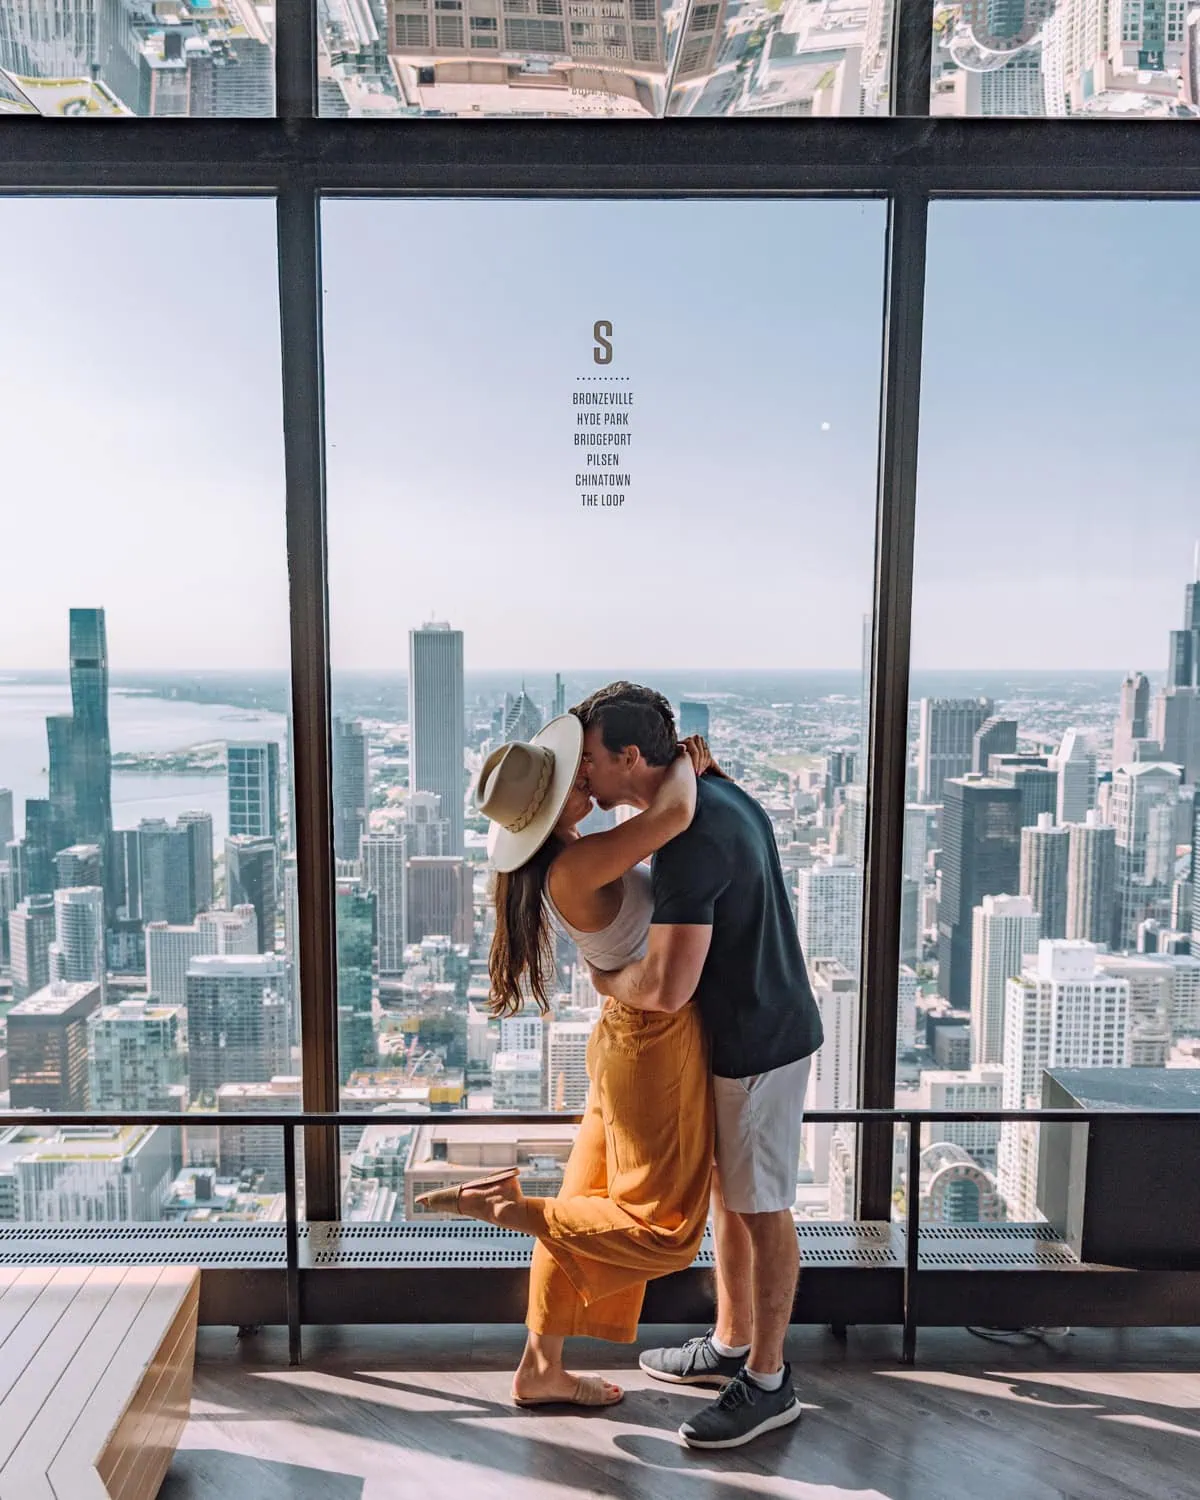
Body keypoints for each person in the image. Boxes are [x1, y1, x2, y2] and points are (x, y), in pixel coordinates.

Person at [415, 710, 718, 1410]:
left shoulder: (571, 860)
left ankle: (540, 1368)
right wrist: (681, 761)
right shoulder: (577, 864)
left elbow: (611, 963)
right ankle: (506, 1211)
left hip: (624, 1037)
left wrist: (613, 980)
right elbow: (671, 815)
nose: (583, 774)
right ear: (552, 811)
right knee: (664, 1232)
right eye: (568, 778)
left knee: (583, 1208)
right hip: (653, 1044)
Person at [577, 681, 825, 1451]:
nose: (582, 777)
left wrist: (605, 979)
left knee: (761, 1206)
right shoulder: (710, 791)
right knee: (733, 1195)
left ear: (629, 756)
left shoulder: (689, 839)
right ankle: (729, 1343)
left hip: (758, 1041)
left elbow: (666, 986)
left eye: (589, 761)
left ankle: (771, 1381)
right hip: (754, 1026)